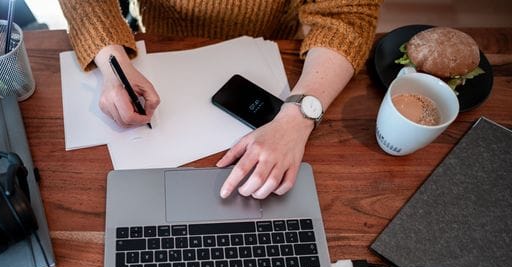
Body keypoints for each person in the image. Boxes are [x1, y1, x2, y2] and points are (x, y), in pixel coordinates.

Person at [58, 0, 382, 199]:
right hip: (157, 39)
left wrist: (298, 115)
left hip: (276, 46)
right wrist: (111, 58)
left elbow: (347, 15)